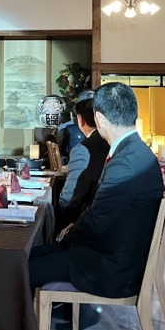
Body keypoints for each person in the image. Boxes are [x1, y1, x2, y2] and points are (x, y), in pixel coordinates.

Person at [29, 82, 164, 330]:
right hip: (121, 252)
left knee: (24, 266)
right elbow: (100, 215)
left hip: (113, 266)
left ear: (99, 118)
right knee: (30, 254)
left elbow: (97, 220)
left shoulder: (125, 163)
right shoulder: (136, 151)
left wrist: (69, 235)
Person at [55, 95, 111, 233]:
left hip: (81, 221)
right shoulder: (112, 143)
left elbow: (68, 198)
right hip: (107, 217)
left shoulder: (82, 150)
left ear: (81, 120)